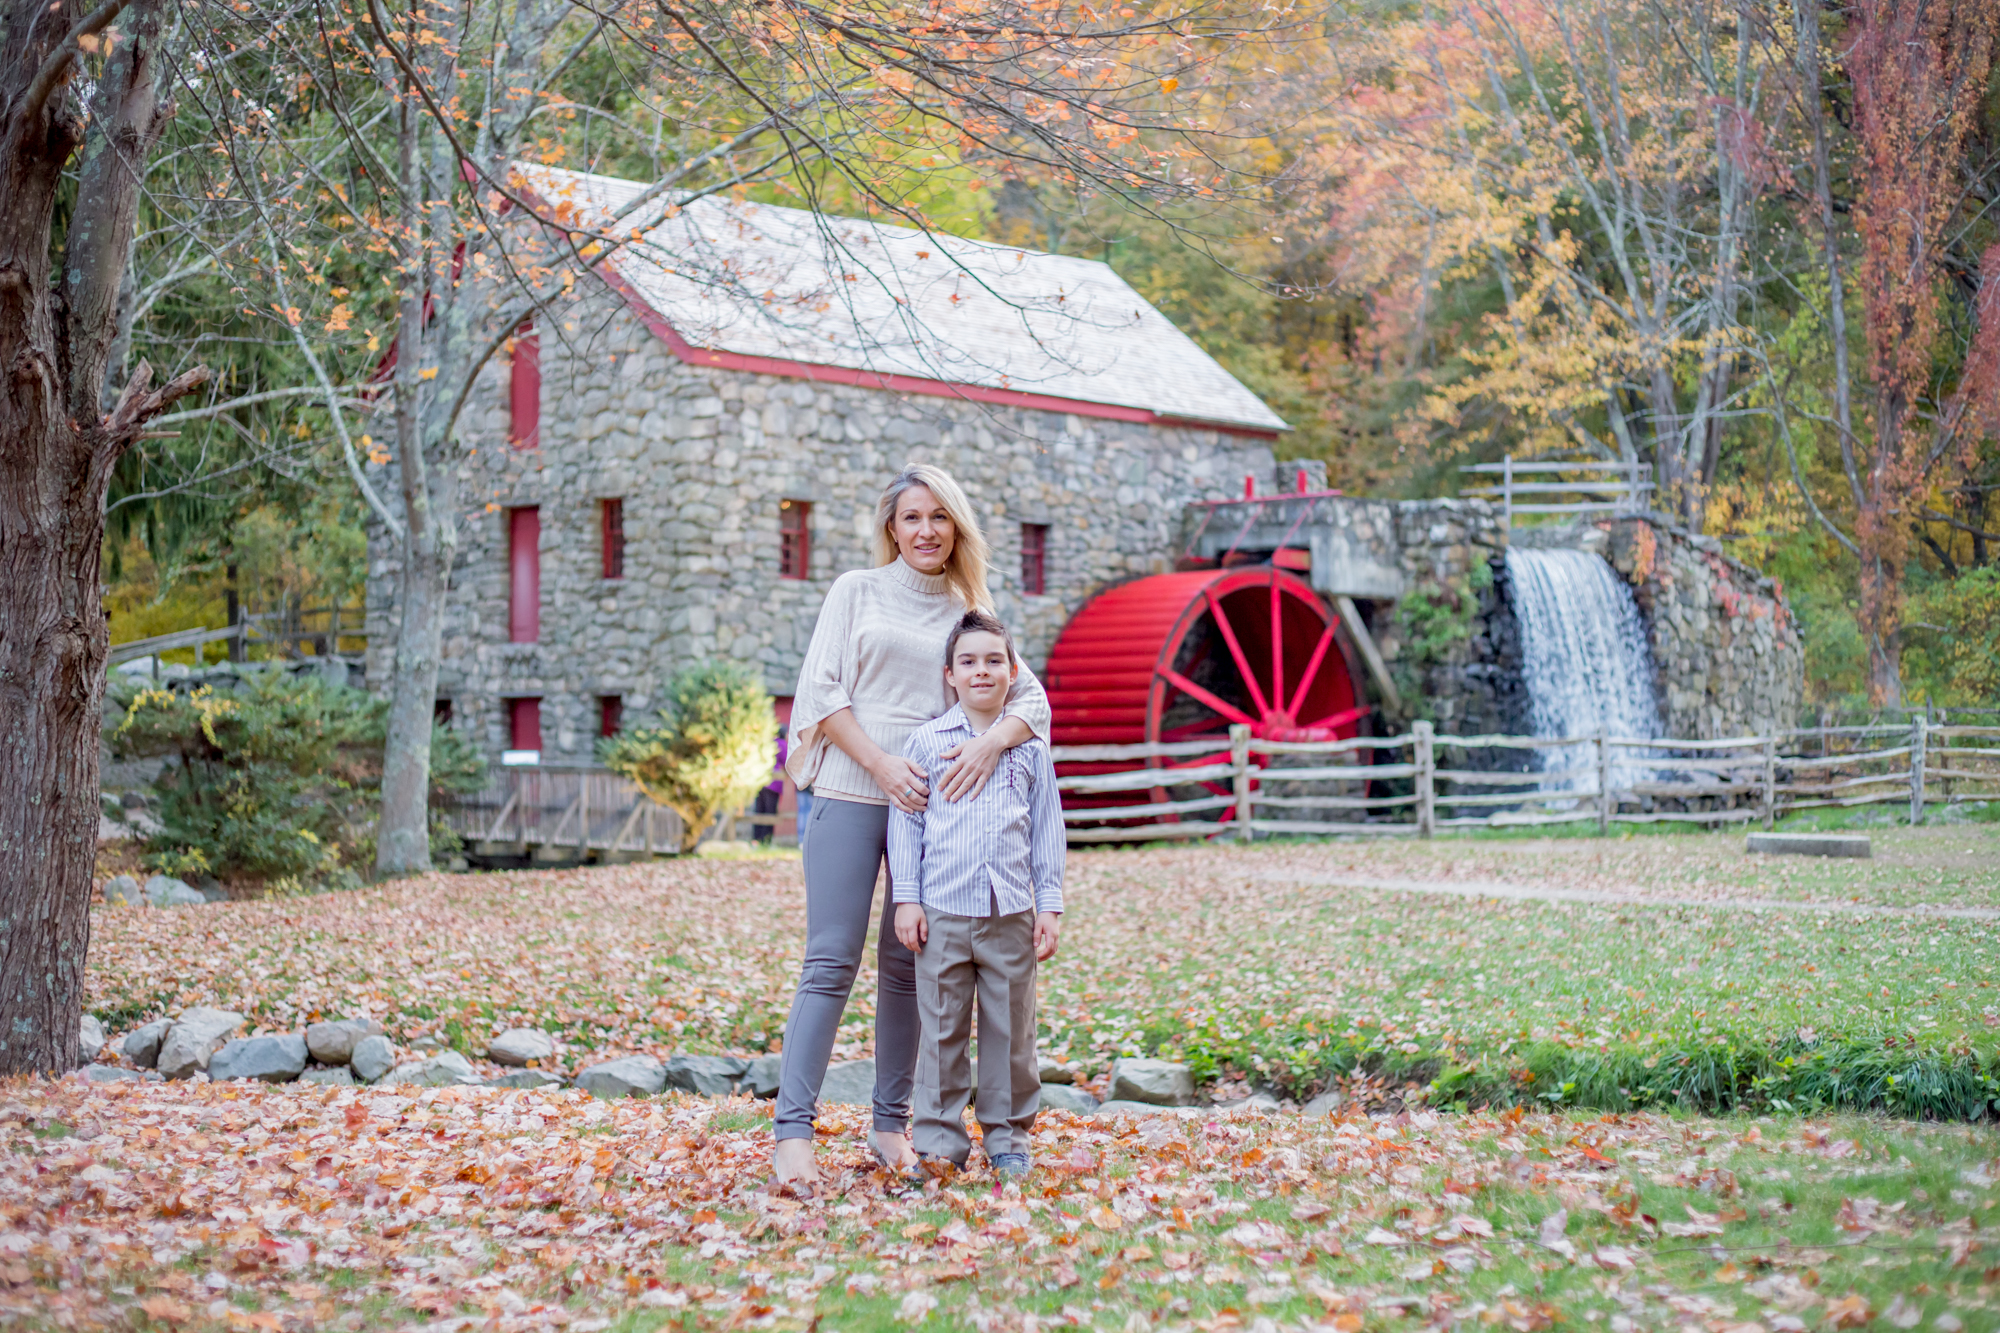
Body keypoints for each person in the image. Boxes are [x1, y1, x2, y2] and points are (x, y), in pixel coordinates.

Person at [775, 465, 1051, 1189]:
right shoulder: (855, 591)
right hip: (851, 787)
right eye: (911, 517)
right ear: (891, 527)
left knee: (908, 965)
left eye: (939, 517)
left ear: (956, 526)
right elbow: (820, 691)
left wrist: (992, 742)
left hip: (937, 809)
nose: (925, 530)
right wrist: (880, 763)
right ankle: (793, 1130)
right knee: (831, 960)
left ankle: (891, 1124)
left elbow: (1031, 699)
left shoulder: (970, 606)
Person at [890, 611, 1062, 1178]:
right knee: (940, 1028)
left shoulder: (1029, 748)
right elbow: (907, 823)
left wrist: (1050, 904)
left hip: (1010, 909)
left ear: (1013, 673)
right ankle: (939, 1144)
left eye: (994, 661)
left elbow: (1046, 828)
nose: (982, 671)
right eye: (969, 662)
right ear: (950, 675)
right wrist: (907, 899)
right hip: (941, 910)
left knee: (1010, 1028)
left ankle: (1008, 1136)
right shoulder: (927, 741)